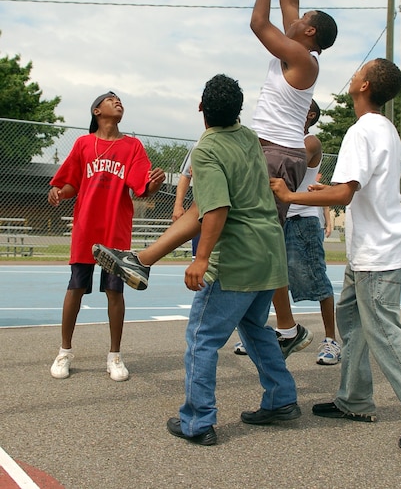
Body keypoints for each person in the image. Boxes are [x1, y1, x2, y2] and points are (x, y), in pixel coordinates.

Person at [270, 58, 401, 455]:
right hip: (371, 251)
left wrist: (291, 195)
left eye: (360, 71)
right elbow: (351, 188)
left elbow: (345, 193)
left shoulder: (362, 131)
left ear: (364, 86)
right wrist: (320, 191)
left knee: (385, 332)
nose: (354, 74)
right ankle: (354, 399)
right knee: (352, 320)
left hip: (377, 252)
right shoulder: (386, 130)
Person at [94, 75, 300, 445]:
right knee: (255, 329)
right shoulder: (249, 137)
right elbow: (210, 204)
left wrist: (201, 258)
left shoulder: (207, 149)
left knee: (201, 338)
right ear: (239, 110)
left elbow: (216, 208)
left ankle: (197, 421)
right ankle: (282, 399)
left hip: (236, 259)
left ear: (201, 108)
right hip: (269, 253)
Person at [250, 0, 338, 358]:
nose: (297, 16)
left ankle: (285, 327)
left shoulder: (301, 57)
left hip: (278, 153)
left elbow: (258, 21)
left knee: (263, 242)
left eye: (303, 20)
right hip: (267, 147)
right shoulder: (299, 42)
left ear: (310, 34)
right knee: (262, 241)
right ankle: (282, 326)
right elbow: (291, 0)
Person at [48, 91, 165, 381]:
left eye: (120, 100)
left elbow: (141, 187)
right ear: (96, 111)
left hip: (116, 228)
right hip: (86, 227)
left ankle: (115, 356)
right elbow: (72, 183)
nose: (118, 102)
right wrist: (60, 192)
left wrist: (154, 185)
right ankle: (64, 351)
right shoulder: (84, 144)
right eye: (111, 99)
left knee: (115, 291)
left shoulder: (133, 146)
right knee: (75, 287)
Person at [235, 100, 341, 366]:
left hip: (302, 219)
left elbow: (284, 161)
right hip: (277, 216)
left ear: (310, 114)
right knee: (270, 277)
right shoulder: (277, 138)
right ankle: (280, 331)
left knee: (315, 278)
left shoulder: (309, 141)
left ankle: (331, 339)